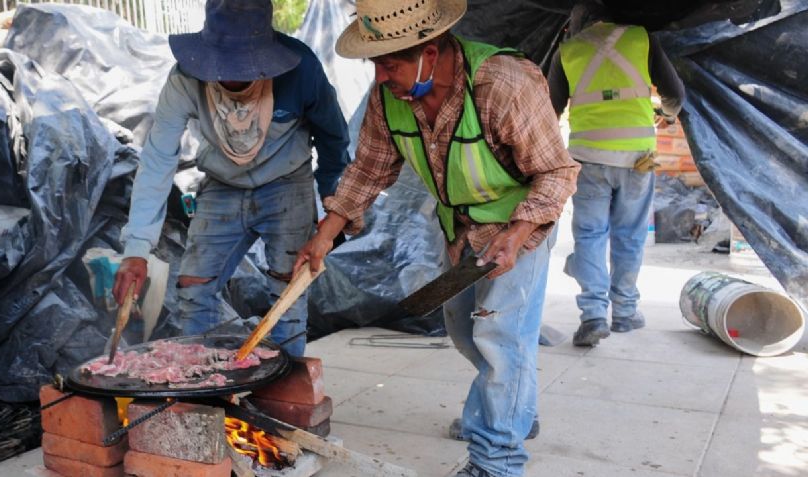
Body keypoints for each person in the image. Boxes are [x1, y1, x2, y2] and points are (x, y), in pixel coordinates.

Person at [294, 1, 579, 475]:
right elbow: (368, 169)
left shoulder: (504, 83)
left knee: (500, 338)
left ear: (430, 51)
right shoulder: (391, 97)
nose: (381, 78)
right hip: (460, 232)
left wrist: (516, 234)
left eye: (390, 64)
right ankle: (513, 410)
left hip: (519, 230)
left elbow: (556, 173)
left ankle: (497, 460)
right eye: (376, 65)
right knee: (465, 333)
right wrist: (324, 235)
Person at [112, 0, 351, 357]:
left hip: (287, 183)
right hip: (221, 185)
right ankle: (203, 386)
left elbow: (334, 138)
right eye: (221, 66)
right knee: (193, 288)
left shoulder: (301, 70)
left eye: (243, 67)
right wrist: (136, 250)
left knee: (287, 292)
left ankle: (284, 395)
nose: (230, 75)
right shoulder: (184, 79)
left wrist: (333, 211)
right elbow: (158, 160)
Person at [547, 1, 686, 347]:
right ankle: (624, 312)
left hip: (588, 157)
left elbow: (550, 109)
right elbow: (675, 95)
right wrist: (666, 115)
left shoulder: (567, 50)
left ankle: (593, 315)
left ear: (577, 25)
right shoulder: (641, 38)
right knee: (630, 234)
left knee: (590, 235)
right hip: (637, 156)